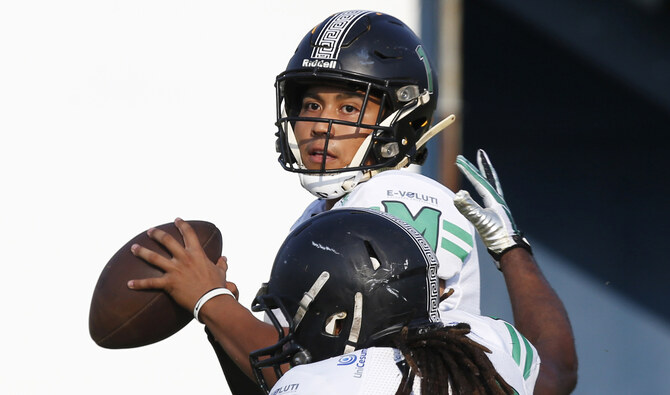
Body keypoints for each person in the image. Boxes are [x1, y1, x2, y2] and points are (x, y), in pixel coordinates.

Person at [249, 207, 537, 395]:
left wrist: (212, 300)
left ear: (338, 320)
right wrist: (512, 248)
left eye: (295, 316)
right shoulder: (495, 343)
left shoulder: (317, 386)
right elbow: (557, 373)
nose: (287, 340)